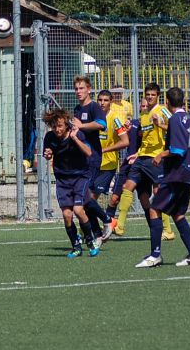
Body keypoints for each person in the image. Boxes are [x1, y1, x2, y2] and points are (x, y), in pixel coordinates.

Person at [134, 87, 190, 268]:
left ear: (167, 101)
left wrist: (160, 155)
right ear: (183, 101)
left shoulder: (174, 120)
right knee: (178, 214)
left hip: (175, 174)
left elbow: (178, 150)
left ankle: (155, 255)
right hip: (187, 173)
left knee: (154, 209)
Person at [120, 83, 176, 239]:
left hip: (156, 157)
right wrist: (137, 153)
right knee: (128, 186)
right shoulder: (144, 114)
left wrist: (161, 124)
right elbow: (144, 138)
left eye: (153, 95)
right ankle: (119, 225)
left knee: (158, 193)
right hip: (142, 156)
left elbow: (175, 126)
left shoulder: (162, 110)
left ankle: (168, 230)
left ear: (158, 95)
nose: (150, 97)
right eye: (147, 94)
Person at [42, 108, 99, 258]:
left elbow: (89, 152)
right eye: (54, 126)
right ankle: (76, 246)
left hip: (80, 176)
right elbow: (46, 154)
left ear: (66, 125)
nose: (57, 129)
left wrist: (75, 138)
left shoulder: (77, 134)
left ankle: (90, 240)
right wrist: (47, 155)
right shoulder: (49, 137)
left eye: (60, 126)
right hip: (62, 179)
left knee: (79, 210)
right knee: (67, 215)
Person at [71, 76, 115, 244]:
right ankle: (97, 234)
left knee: (84, 196)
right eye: (76, 89)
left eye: (81, 88)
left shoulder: (94, 107)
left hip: (92, 157)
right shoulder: (77, 108)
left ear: (88, 89)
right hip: (80, 159)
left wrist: (81, 126)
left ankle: (107, 220)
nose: (78, 92)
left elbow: (101, 124)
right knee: (84, 198)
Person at [108, 99, 144, 235]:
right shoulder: (133, 123)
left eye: (147, 106)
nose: (144, 107)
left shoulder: (154, 124)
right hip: (127, 164)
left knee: (146, 201)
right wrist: (125, 129)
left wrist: (138, 154)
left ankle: (165, 229)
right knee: (114, 198)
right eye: (142, 105)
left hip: (144, 165)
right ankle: (109, 226)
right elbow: (122, 138)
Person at [94, 90, 130, 205]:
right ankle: (107, 220)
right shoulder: (93, 117)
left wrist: (104, 150)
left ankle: (106, 219)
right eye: (100, 100)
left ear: (111, 102)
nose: (102, 103)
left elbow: (125, 141)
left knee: (90, 199)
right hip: (92, 163)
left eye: (105, 100)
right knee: (86, 200)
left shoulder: (115, 119)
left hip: (107, 164)